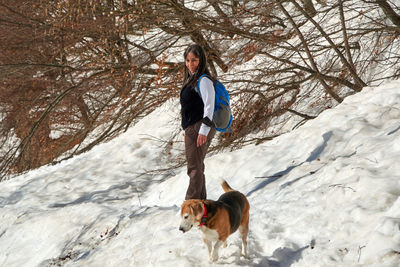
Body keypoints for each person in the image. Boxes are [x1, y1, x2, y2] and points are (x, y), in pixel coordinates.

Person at [180, 44, 216, 200]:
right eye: (187, 60)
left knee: (194, 168)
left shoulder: (203, 80)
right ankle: (201, 205)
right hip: (193, 128)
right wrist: (187, 130)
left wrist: (203, 131)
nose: (190, 64)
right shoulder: (191, 79)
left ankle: (190, 204)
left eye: (194, 60)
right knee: (197, 167)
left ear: (201, 60)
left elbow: (210, 106)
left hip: (201, 126)